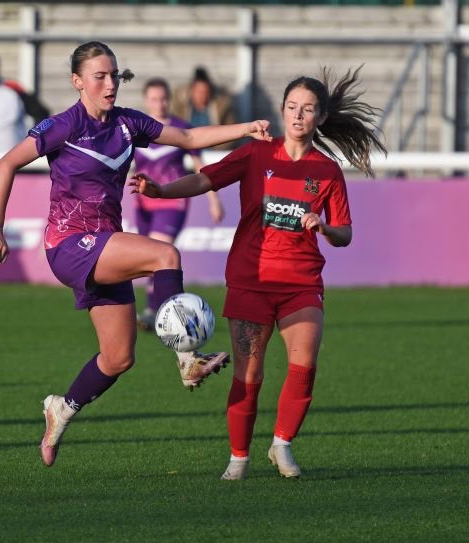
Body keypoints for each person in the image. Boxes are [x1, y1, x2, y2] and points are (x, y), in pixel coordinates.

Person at [0, 41, 271, 468]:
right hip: (69, 246)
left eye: (114, 75)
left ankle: (60, 409)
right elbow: (6, 164)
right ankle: (188, 359)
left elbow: (190, 137)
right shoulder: (64, 125)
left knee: (118, 357)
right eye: (99, 75)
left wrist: (245, 127)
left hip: (105, 245)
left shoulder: (128, 123)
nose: (109, 83)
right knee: (165, 255)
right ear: (77, 82)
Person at [131, 67, 386, 480]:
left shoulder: (327, 171)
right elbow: (204, 178)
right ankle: (238, 458)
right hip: (252, 280)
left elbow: (346, 233)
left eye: (307, 109)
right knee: (250, 374)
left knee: (304, 367)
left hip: (301, 284)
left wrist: (323, 228)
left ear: (320, 117)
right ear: (282, 111)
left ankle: (281, 446)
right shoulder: (255, 153)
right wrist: (160, 191)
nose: (298, 115)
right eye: (291, 107)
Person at [132, 77, 225, 331]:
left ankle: (155, 311)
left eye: (163, 98)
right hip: (142, 205)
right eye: (154, 99)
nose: (159, 103)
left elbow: (200, 167)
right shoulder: (137, 129)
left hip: (172, 202)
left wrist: (213, 199)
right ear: (146, 101)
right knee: (148, 261)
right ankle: (157, 309)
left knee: (158, 250)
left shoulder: (180, 129)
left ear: (169, 100)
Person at [171, 67, 239, 150]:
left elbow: (231, 132)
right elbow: (173, 130)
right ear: (192, 91)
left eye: (205, 92)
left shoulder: (222, 108)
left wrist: (216, 151)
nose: (202, 96)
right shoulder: (180, 108)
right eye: (199, 92)